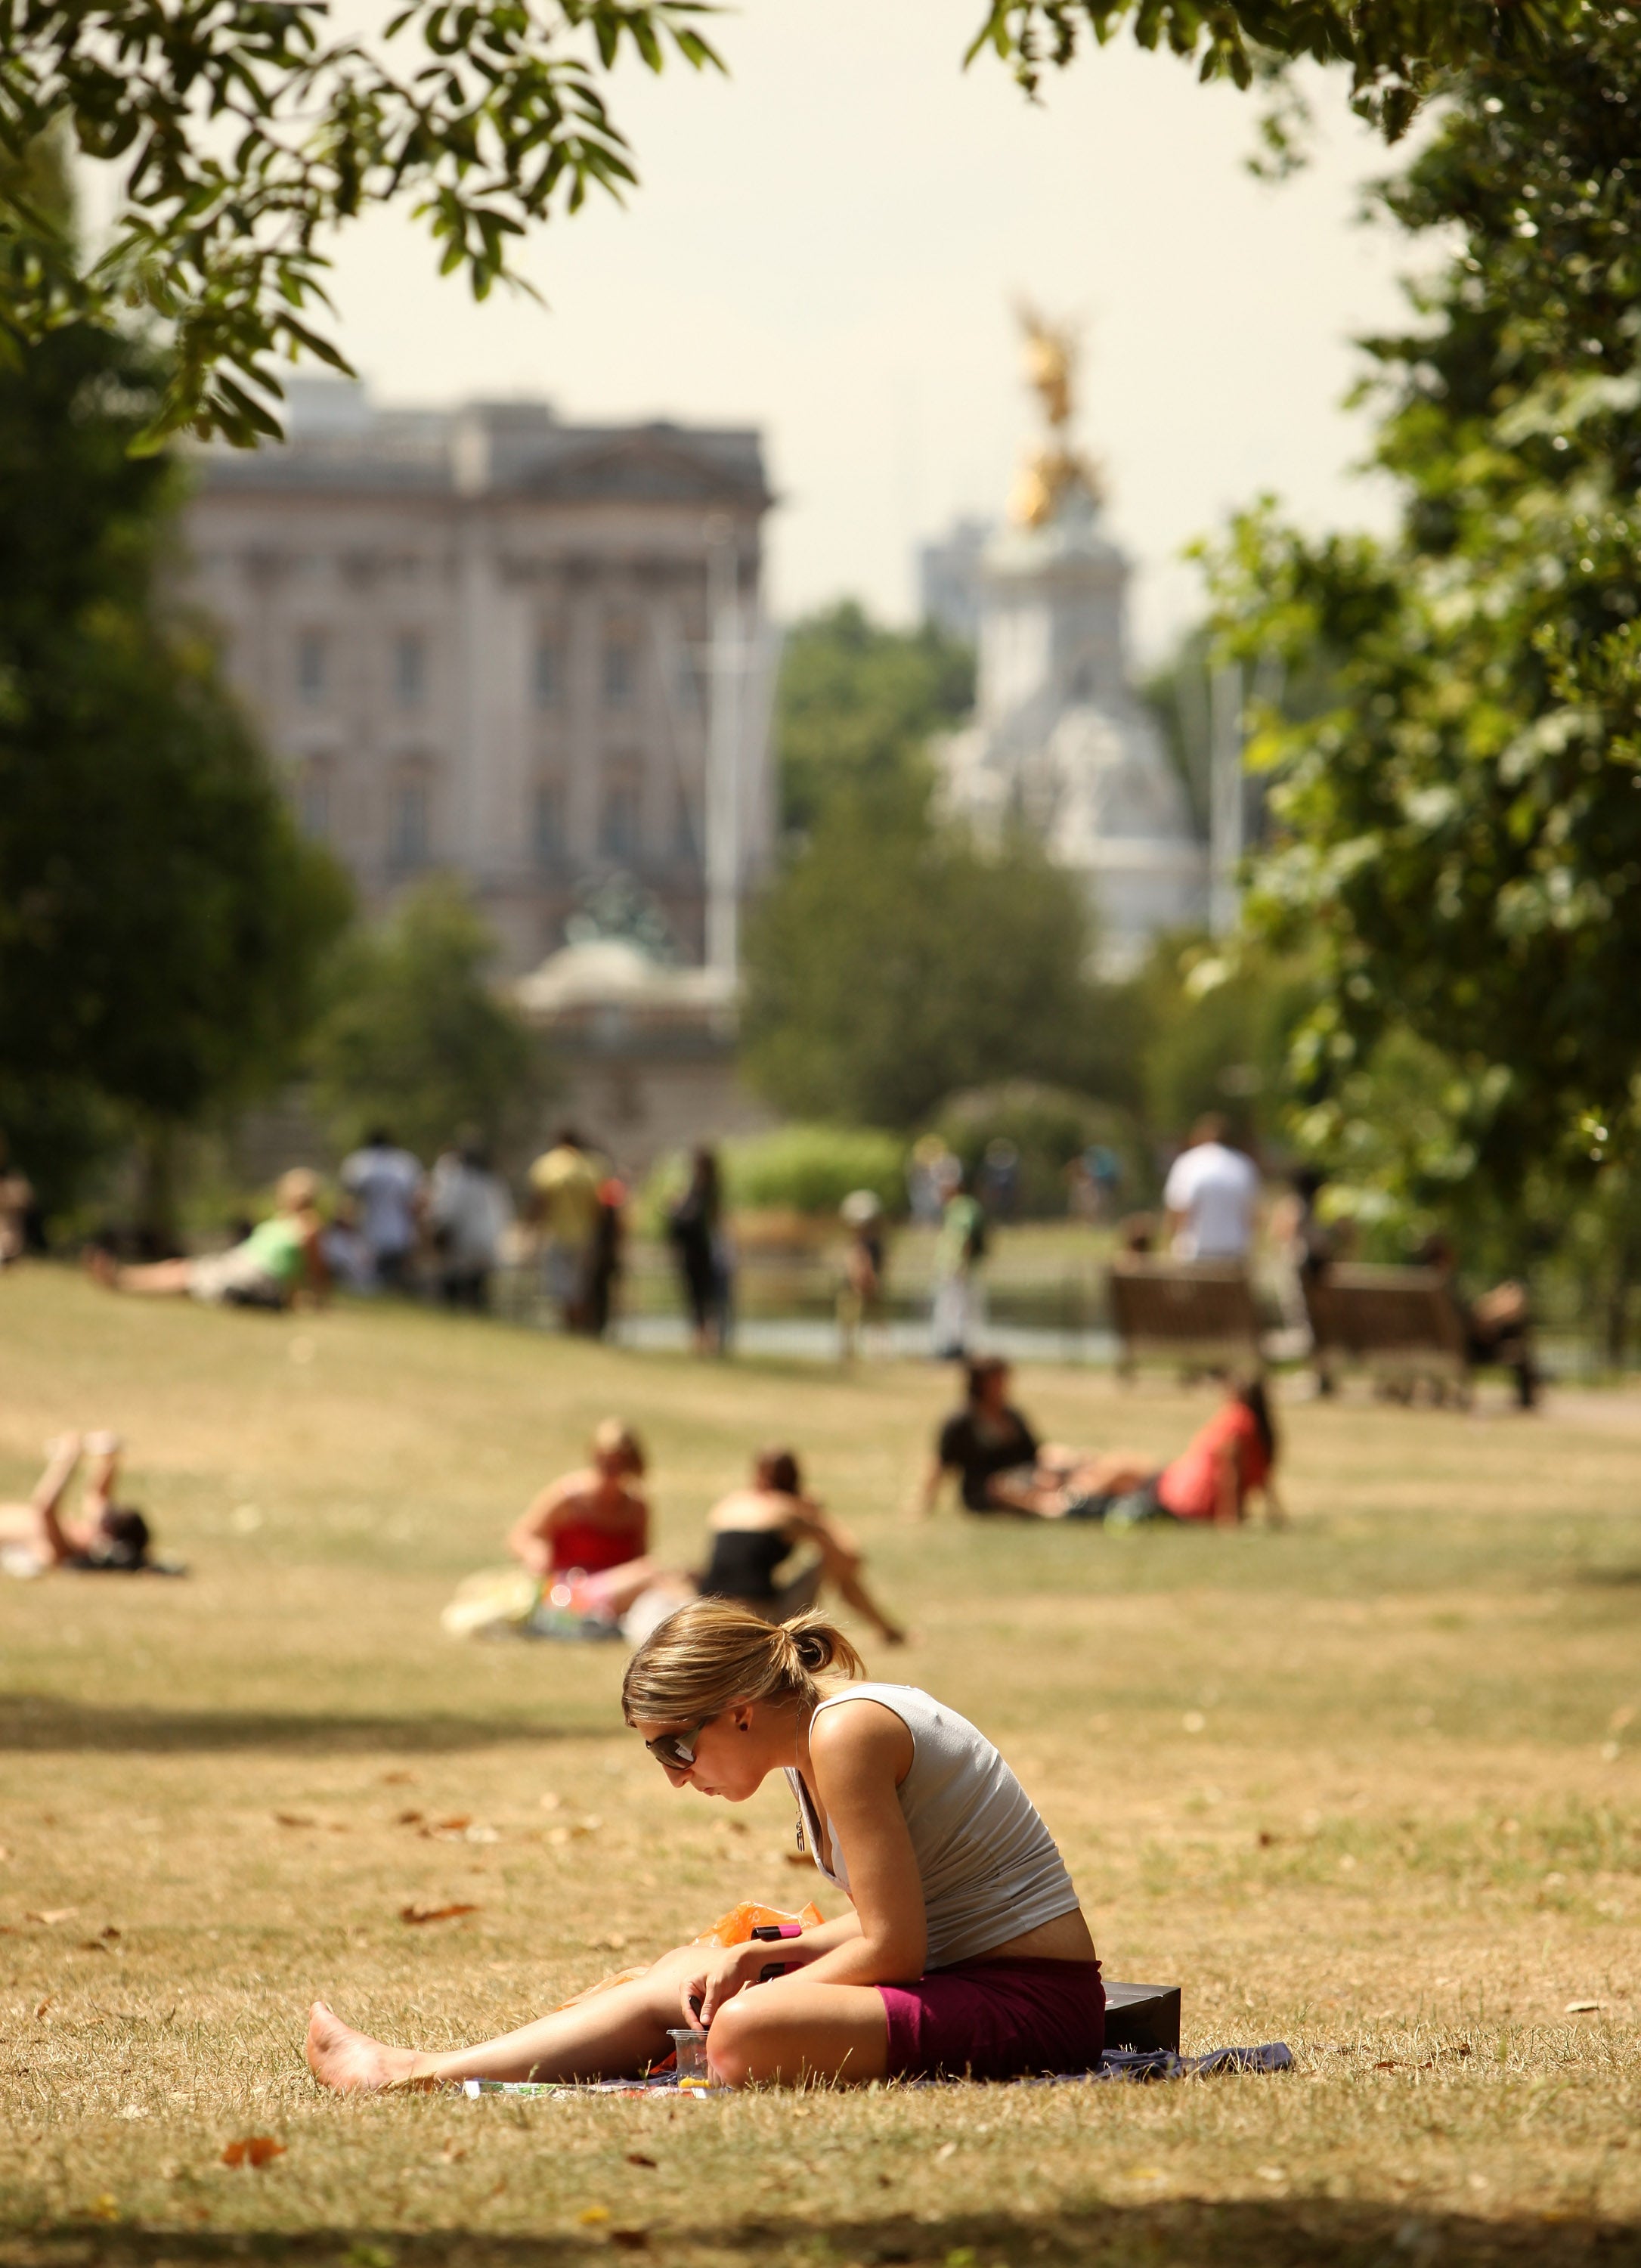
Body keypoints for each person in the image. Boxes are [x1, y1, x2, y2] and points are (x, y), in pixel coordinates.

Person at [305, 1602, 1104, 2091]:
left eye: (673, 1749)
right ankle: (418, 2072)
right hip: (957, 1975)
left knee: (741, 2031)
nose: (675, 1779)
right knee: (690, 1975)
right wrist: (754, 1961)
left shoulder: (848, 1732)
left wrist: (759, 1995)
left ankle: (415, 2075)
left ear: (738, 1712)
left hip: (1029, 2003)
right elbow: (884, 1925)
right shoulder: (814, 1742)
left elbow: (894, 1948)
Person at [698, 1448, 905, 1645]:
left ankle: (886, 1630)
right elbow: (850, 1556)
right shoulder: (789, 1510)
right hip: (758, 1618)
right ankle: (886, 1630)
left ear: (757, 1475)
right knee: (830, 1561)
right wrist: (818, 1514)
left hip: (710, 1610)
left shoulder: (731, 1503)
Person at [1058, 1374, 1285, 1528]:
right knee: (1124, 1470)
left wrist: (1229, 1522)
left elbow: (1231, 1476)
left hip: (1184, 1498)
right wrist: (1277, 1516)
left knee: (1120, 1468)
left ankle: (1067, 1499)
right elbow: (1263, 1480)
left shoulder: (1237, 1422)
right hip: (1181, 1487)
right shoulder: (1262, 1432)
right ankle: (1070, 1492)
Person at [88, 1169, 327, 1309]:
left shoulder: (308, 1227)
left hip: (256, 1276)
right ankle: (122, 1277)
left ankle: (122, 1281)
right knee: (181, 1269)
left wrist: (311, 1299)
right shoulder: (280, 1221)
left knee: (186, 1276)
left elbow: (311, 1270)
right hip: (241, 1263)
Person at [919, 1356, 1107, 1520]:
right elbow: (940, 1464)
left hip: (1026, 1476)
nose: (1005, 1384)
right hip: (986, 1489)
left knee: (1068, 1466)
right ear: (981, 1384)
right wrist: (924, 1505)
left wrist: (1067, 1461)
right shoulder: (961, 1423)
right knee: (1003, 1486)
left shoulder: (1011, 1415)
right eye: (998, 1379)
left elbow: (1035, 1452)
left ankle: (1085, 1499)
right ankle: (1053, 1510)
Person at [507, 1422, 658, 1604]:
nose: (609, 1473)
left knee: (657, 1576)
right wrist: (536, 1553)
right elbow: (521, 1536)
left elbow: (638, 1559)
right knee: (650, 1575)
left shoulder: (636, 1507)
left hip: (612, 1590)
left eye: (617, 1466)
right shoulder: (569, 1497)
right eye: (603, 1464)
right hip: (565, 1591)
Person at [0, 1434, 164, 1576]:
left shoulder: (66, 1549)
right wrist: (110, 1458)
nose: (103, 1511)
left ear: (106, 1539)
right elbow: (97, 1495)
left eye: (107, 1518)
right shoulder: (83, 1534)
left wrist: (68, 1459)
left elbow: (44, 1508)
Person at [527, 1126, 604, 1331]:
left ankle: (569, 1330)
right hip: (584, 1236)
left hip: (557, 1235)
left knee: (560, 1290)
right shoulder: (591, 1167)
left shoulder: (548, 1164)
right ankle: (579, 1329)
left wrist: (531, 1230)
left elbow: (540, 1202)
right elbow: (597, 1208)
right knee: (578, 1290)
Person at [427, 1136, 512, 1312]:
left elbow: (448, 1212)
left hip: (464, 1243)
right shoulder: (494, 1182)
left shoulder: (459, 1181)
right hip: (488, 1242)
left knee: (455, 1286)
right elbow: (505, 1214)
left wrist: (438, 1230)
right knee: (478, 1288)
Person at [1162, 1114, 1259, 1262]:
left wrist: (1170, 1243)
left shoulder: (1188, 1163)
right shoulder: (1243, 1165)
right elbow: (1252, 1214)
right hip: (1234, 1251)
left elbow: (1178, 1210)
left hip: (1195, 1253)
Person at [339, 1129, 425, 1294]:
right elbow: (416, 1202)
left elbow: (348, 1201)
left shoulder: (358, 1163)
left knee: (372, 1284)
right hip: (400, 1233)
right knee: (392, 1284)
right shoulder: (405, 1163)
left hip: (367, 1234)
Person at [668, 1147, 729, 1356]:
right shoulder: (699, 1190)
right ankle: (702, 1340)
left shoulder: (706, 1192)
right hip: (695, 1251)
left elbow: (708, 1222)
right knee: (698, 1297)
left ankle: (708, 1341)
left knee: (705, 1297)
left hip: (705, 1252)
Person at [930, 1161, 986, 1360]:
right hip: (951, 1266)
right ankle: (950, 1345)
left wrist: (961, 1264)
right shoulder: (955, 1207)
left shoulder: (963, 1206)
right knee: (950, 1306)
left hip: (957, 1267)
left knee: (956, 1307)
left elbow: (966, 1236)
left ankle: (955, 1348)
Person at [836, 1190, 886, 1362]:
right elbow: (856, 1267)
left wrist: (869, 1285)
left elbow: (870, 1268)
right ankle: (849, 1356)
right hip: (855, 1290)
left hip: (866, 1290)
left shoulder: (872, 1244)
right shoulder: (860, 1244)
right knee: (850, 1325)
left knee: (871, 1323)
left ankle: (875, 1355)